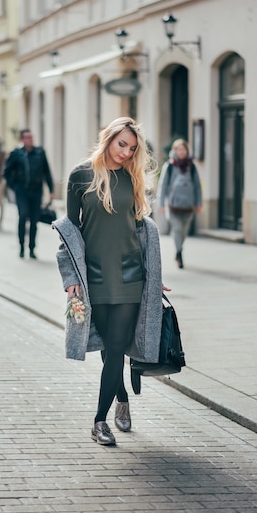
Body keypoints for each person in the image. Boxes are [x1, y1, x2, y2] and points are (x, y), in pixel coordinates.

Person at [52, 117, 166, 446]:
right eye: (122, 144)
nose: (126, 152)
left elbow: (142, 230)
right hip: (96, 276)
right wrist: (70, 278)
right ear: (108, 138)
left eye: (132, 148)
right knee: (107, 348)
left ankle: (99, 422)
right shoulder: (80, 176)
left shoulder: (131, 176)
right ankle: (122, 395)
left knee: (116, 346)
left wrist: (154, 276)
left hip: (132, 275)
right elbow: (69, 232)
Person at [4, 128, 54, 258]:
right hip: (22, 191)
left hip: (36, 191)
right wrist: (14, 186)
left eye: (31, 137)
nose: (30, 139)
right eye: (27, 137)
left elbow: (46, 172)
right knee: (23, 215)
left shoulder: (39, 153)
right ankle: (21, 247)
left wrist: (51, 189)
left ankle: (32, 248)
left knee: (34, 220)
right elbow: (7, 172)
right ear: (22, 139)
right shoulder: (16, 153)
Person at [158, 138, 202, 269]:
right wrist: (161, 204)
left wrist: (198, 202)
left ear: (186, 151)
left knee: (184, 232)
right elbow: (163, 185)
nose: (181, 152)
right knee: (177, 230)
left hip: (188, 206)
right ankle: (179, 253)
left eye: (183, 149)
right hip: (173, 206)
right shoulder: (170, 166)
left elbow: (197, 186)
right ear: (175, 151)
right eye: (179, 149)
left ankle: (179, 249)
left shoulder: (192, 166)